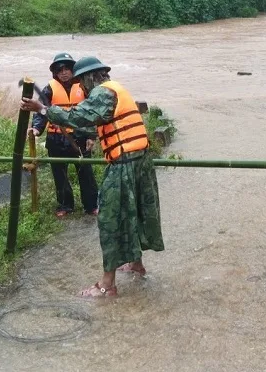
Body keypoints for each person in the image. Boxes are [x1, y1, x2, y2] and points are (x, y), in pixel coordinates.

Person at [20, 56, 164, 298]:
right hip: (140, 161)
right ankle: (136, 264)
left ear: (89, 78)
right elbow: (98, 125)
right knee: (134, 211)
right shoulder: (117, 89)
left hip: (124, 164)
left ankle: (107, 285)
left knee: (109, 218)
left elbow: (77, 117)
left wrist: (43, 109)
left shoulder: (101, 93)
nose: (81, 88)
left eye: (81, 83)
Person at [31, 52, 99, 217]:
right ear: (55, 72)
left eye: (67, 68)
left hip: (80, 137)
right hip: (56, 139)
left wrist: (91, 136)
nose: (64, 72)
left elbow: (92, 114)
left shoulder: (84, 86)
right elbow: (41, 111)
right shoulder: (49, 89)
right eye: (60, 69)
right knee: (59, 174)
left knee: (86, 173)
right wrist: (36, 129)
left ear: (73, 70)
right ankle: (65, 205)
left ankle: (91, 205)